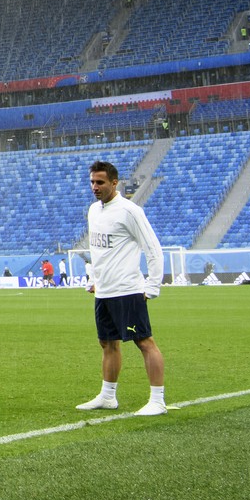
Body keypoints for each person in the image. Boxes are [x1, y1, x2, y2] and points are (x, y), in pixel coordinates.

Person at [76, 160, 167, 416]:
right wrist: (95, 278)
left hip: (128, 290)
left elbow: (153, 249)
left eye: (100, 182)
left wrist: (152, 286)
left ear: (114, 183)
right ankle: (107, 397)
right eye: (92, 182)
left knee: (144, 342)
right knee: (107, 344)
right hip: (104, 291)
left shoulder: (130, 211)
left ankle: (158, 400)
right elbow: (99, 250)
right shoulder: (94, 210)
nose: (95, 187)